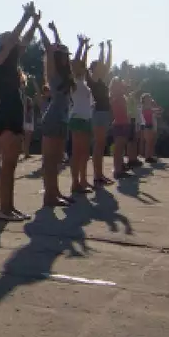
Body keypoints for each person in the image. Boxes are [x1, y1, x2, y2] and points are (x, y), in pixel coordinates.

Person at [0, 3, 40, 221]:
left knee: (11, 164)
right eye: (7, 38)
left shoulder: (11, 61)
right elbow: (14, 39)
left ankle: (9, 207)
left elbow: (24, 40)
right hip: (8, 112)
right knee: (7, 164)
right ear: (2, 44)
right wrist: (25, 17)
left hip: (15, 111)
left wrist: (34, 23)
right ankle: (4, 209)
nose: (12, 39)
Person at [36, 20, 73, 204]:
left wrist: (56, 31)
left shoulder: (66, 75)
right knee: (50, 160)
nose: (66, 58)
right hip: (53, 117)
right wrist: (39, 26)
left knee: (57, 159)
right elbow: (50, 48)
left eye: (67, 55)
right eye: (63, 55)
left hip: (63, 118)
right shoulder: (52, 73)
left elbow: (57, 47)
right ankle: (49, 195)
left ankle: (55, 192)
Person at [69, 35, 95, 191]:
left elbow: (82, 63)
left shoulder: (84, 83)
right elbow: (76, 63)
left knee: (85, 153)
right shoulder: (73, 82)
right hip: (77, 118)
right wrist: (80, 46)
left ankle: (83, 180)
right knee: (77, 152)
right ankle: (75, 182)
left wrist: (86, 48)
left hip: (86, 119)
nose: (82, 68)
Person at [88, 40, 115, 185]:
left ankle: (100, 174)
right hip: (98, 113)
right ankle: (97, 176)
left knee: (101, 144)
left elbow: (108, 64)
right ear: (94, 69)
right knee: (98, 145)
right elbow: (102, 64)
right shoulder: (93, 79)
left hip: (103, 113)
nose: (103, 68)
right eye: (99, 66)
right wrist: (102, 49)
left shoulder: (101, 80)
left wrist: (109, 48)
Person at [141, 93, 163, 163]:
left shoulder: (151, 106)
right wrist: (155, 107)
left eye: (149, 97)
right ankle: (147, 157)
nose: (149, 99)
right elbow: (153, 110)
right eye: (147, 98)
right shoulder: (144, 106)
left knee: (152, 141)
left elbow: (159, 112)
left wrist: (156, 106)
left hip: (152, 124)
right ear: (144, 99)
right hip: (146, 124)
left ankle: (151, 156)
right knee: (149, 141)